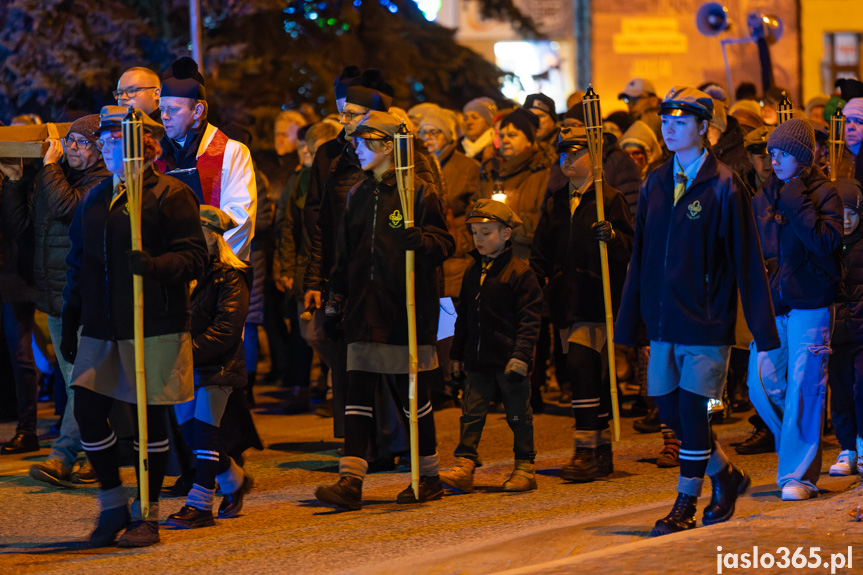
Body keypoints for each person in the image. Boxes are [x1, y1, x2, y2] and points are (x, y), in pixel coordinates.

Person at [615, 87, 780, 536]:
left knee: (692, 414)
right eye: (665, 121)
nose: (669, 129)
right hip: (663, 321)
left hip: (706, 323)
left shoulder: (726, 184)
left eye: (681, 122)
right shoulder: (654, 181)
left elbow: (747, 261)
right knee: (669, 411)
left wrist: (764, 337)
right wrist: (629, 323)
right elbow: (641, 257)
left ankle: (685, 503)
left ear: (704, 128)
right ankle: (725, 475)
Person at [61, 106, 208, 547]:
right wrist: (71, 322)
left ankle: (148, 515)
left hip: (155, 321)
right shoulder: (96, 196)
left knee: (150, 419)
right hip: (102, 324)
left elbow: (196, 257)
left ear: (142, 146)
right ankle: (112, 505)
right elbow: (77, 266)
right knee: (87, 408)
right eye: (102, 140)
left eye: (113, 139)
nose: (105, 146)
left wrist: (156, 266)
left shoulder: (171, 194)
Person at [314, 111, 454, 510]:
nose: (354, 149)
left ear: (386, 145)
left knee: (413, 396)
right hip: (362, 308)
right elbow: (344, 253)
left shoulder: (418, 192)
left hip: (405, 310)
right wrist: (336, 297)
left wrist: (424, 240)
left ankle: (427, 476)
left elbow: (447, 243)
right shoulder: (357, 193)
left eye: (361, 142)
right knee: (357, 393)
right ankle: (351, 480)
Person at [531, 127, 634, 482]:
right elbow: (541, 251)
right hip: (565, 300)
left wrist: (615, 237)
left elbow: (630, 247)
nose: (568, 161)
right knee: (586, 374)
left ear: (594, 159)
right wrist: (538, 283)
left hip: (595, 298)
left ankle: (586, 449)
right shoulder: (555, 202)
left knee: (582, 368)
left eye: (576, 154)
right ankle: (600, 450)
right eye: (564, 155)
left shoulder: (609, 199)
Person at [11, 114, 110, 483]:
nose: (71, 149)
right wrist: (13, 182)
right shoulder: (55, 177)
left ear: (100, 149)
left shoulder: (101, 180)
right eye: (69, 141)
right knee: (75, 382)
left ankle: (65, 455)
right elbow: (20, 224)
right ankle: (91, 454)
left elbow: (70, 210)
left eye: (81, 143)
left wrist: (49, 167)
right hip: (55, 297)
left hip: (83, 297)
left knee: (80, 382)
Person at [748, 118, 843, 500]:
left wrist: (795, 198)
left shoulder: (824, 194)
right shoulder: (761, 199)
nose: (775, 160)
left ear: (803, 157)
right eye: (772, 153)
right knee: (762, 383)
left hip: (812, 302)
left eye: (784, 153)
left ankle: (796, 475)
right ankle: (801, 438)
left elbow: (825, 243)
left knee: (805, 385)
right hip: (776, 304)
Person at [441, 199, 542, 493]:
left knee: (517, 414)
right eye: (475, 233)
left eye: (487, 233)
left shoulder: (521, 273)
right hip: (479, 359)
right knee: (471, 413)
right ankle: (464, 465)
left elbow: (529, 320)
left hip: (509, 359)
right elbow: (464, 317)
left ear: (506, 234)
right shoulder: (473, 272)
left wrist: (521, 355)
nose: (479, 239)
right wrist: (457, 353)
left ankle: (525, 467)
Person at [166, 206, 253, 529]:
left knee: (204, 433)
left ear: (213, 238)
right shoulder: (185, 274)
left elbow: (226, 330)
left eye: (197, 233)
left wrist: (186, 353)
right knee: (192, 434)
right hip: (187, 364)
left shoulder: (231, 275)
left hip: (217, 365)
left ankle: (200, 504)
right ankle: (235, 481)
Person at [158, 56, 256, 259]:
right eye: (161, 109)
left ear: (198, 110)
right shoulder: (157, 156)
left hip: (214, 270)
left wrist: (199, 258)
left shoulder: (231, 152)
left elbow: (239, 218)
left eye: (173, 109)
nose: (164, 116)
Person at [478, 108, 552, 260]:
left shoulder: (543, 171)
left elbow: (544, 221)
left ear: (529, 139)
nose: (505, 140)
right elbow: (474, 206)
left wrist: (506, 222)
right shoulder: (489, 170)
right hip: (490, 260)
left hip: (525, 261)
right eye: (502, 135)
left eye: (512, 135)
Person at [827, 179, 863, 477]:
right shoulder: (827, 245)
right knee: (839, 393)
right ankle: (847, 448)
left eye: (852, 212)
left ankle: (862, 444)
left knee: (861, 387)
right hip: (836, 335)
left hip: (861, 334)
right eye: (841, 212)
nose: (847, 219)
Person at [460, 97, 497, 164]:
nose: (469, 122)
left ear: (488, 121)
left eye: (475, 117)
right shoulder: (457, 148)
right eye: (465, 118)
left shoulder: (497, 149)